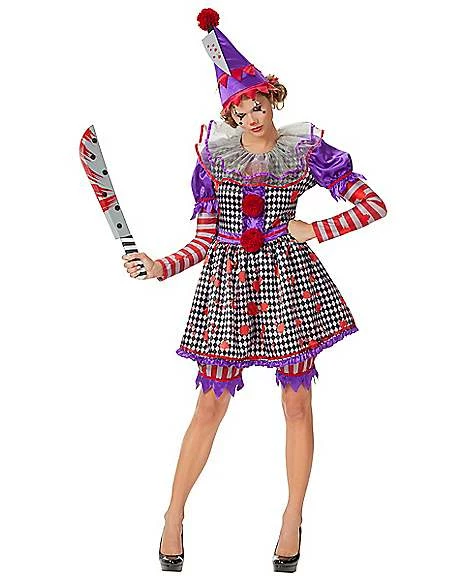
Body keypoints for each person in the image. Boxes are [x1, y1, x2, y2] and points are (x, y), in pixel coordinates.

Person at [122, 8, 387, 573]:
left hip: (290, 286)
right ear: (230, 115)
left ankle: (293, 518)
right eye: (240, 111)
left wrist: (317, 229)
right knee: (209, 404)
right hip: (227, 288)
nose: (251, 117)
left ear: (273, 100)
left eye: (258, 105)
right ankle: (173, 514)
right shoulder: (214, 159)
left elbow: (373, 204)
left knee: (297, 402)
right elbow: (203, 240)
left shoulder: (306, 152)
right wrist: (159, 266)